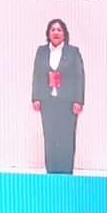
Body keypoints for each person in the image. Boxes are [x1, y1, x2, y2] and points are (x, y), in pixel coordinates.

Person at [31, 17, 84, 175]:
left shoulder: (73, 52)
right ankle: (51, 171)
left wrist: (79, 100)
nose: (56, 32)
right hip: (48, 101)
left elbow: (79, 77)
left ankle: (66, 171)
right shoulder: (41, 51)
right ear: (48, 33)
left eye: (59, 30)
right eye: (53, 29)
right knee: (50, 135)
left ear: (64, 34)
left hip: (67, 103)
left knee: (66, 136)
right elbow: (37, 75)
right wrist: (35, 97)